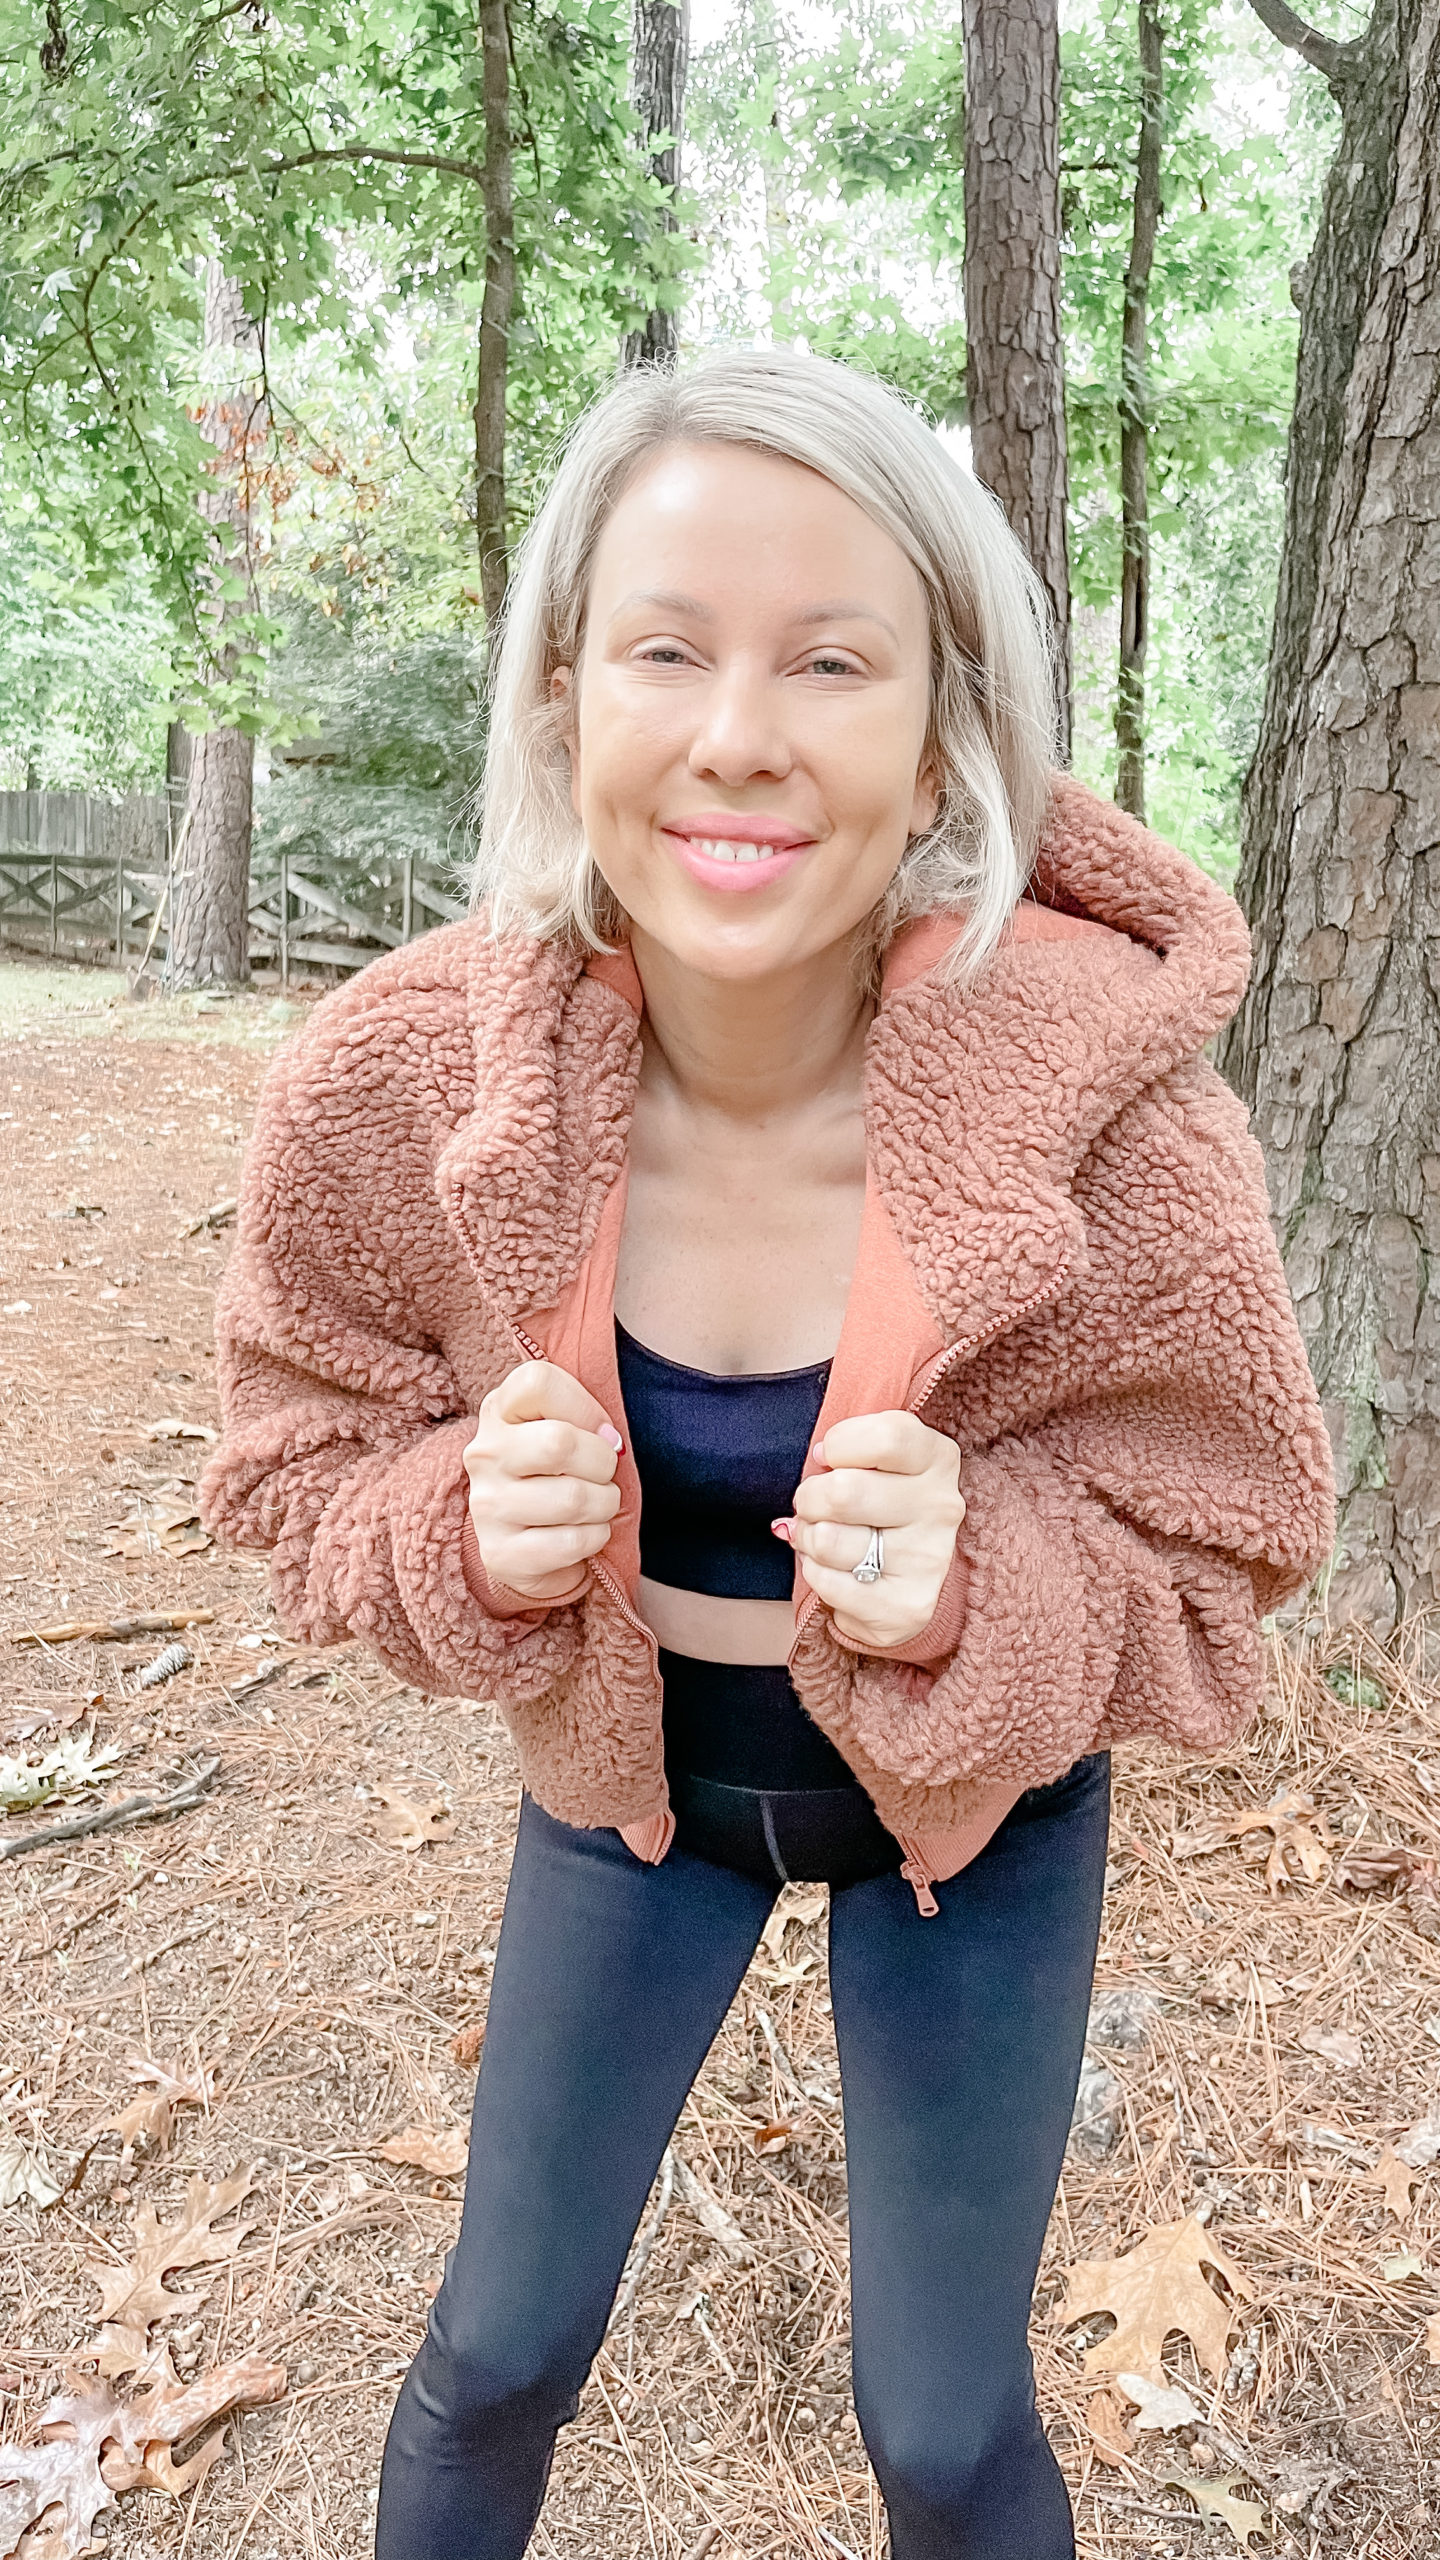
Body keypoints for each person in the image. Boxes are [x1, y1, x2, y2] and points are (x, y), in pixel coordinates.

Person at [203, 347, 1335, 2560]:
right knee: (497, 2342)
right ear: (560, 702)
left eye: (831, 658)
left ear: (936, 739)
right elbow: (286, 1457)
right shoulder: (398, 1086)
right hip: (634, 1803)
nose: (740, 728)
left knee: (937, 2418)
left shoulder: (1123, 1135)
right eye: (668, 648)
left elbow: (1231, 1546)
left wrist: (998, 1583)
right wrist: (451, 1524)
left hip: (968, 1830)